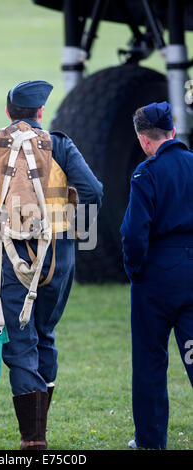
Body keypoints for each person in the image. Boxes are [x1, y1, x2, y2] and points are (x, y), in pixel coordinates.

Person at [0, 80, 103, 450]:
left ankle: (33, 440)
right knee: (45, 336)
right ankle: (38, 433)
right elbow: (93, 191)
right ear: (40, 112)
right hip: (60, 254)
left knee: (20, 344)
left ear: (9, 113)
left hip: (11, 258)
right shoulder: (60, 144)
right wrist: (67, 224)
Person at [120, 101, 193, 450]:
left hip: (157, 276)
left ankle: (150, 442)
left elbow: (135, 233)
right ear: (173, 132)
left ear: (144, 141)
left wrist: (136, 272)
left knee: (150, 362)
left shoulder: (145, 173)